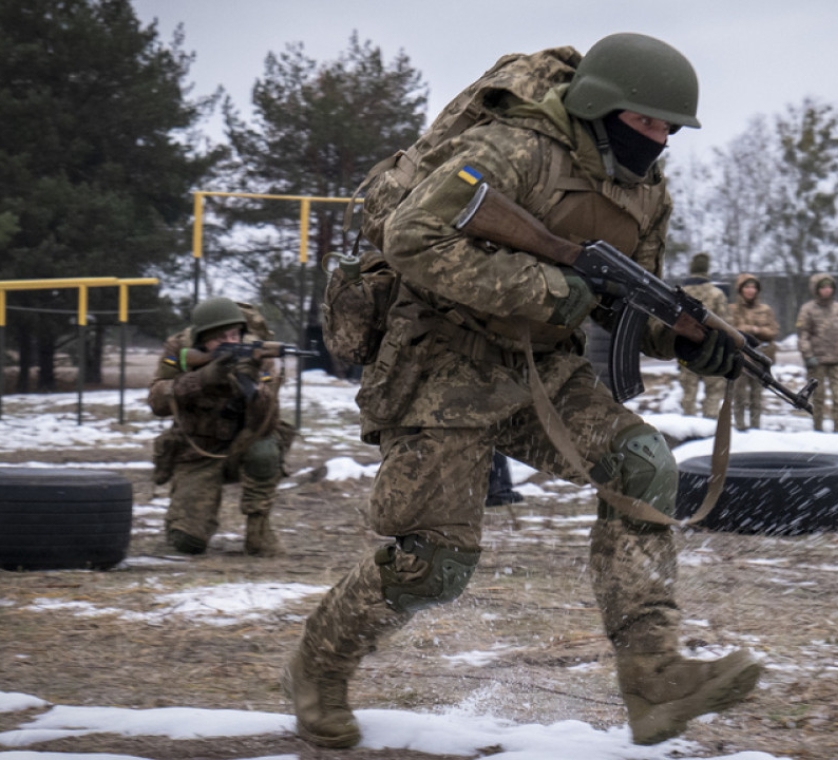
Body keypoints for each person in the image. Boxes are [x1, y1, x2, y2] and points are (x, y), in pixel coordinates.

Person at [281, 33, 759, 749]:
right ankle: (319, 668)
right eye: (647, 122)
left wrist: (691, 339)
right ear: (604, 107)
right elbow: (413, 235)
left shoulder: (645, 193)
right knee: (435, 567)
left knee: (643, 463)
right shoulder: (517, 150)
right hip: (439, 364)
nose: (659, 140)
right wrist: (548, 287)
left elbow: (624, 305)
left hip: (542, 369)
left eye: (669, 128)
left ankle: (655, 678)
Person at [147, 297, 291, 556]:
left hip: (241, 446)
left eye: (234, 334)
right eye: (220, 337)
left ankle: (259, 530)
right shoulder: (180, 347)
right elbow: (157, 401)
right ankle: (182, 521)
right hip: (197, 451)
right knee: (187, 543)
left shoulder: (258, 354)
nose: (230, 342)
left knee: (266, 449)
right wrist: (201, 378)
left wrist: (253, 388)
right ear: (202, 339)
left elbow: (268, 422)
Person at [795, 273, 838, 433]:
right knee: (818, 398)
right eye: (823, 287)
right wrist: (808, 355)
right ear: (816, 289)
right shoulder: (808, 310)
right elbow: (803, 335)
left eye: (829, 287)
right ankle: (818, 429)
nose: (827, 290)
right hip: (818, 362)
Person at [678, 253, 730, 418]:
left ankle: (688, 429)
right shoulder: (717, 294)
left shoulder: (679, 293)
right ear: (707, 270)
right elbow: (724, 324)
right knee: (714, 391)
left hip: (685, 348)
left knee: (688, 392)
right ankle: (709, 428)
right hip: (711, 349)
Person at [728, 273, 779, 430]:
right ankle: (740, 426)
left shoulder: (765, 310)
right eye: (747, 287)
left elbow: (773, 332)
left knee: (757, 395)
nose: (751, 290)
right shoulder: (733, 309)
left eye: (753, 287)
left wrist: (756, 329)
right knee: (739, 395)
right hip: (740, 359)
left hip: (760, 358)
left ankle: (756, 427)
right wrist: (749, 330)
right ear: (740, 290)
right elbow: (730, 330)